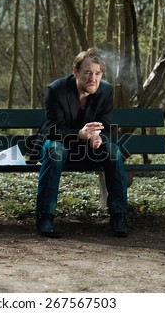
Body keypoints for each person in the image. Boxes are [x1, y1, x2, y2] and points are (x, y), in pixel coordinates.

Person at [35, 47, 128, 238]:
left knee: (113, 151)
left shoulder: (106, 90)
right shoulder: (56, 90)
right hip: (59, 141)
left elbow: (108, 126)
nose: (93, 78)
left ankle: (119, 215)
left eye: (97, 73)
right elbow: (53, 130)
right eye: (87, 73)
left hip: (89, 146)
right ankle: (45, 216)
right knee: (55, 151)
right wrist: (79, 133)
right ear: (75, 72)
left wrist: (98, 137)